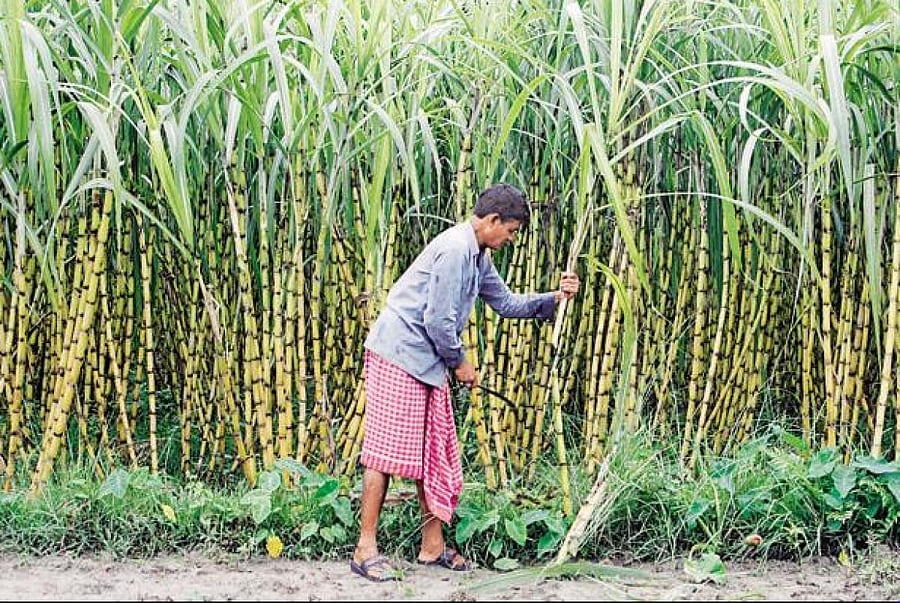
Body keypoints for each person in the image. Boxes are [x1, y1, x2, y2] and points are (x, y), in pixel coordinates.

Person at [349, 183, 581, 582]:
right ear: (492, 221)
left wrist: (555, 298)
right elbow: (436, 321)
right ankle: (364, 548)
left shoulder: (478, 256)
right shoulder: (456, 249)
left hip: (426, 360)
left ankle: (432, 546)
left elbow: (505, 304)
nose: (510, 240)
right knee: (383, 453)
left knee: (430, 450)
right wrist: (460, 363)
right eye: (510, 231)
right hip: (398, 353)